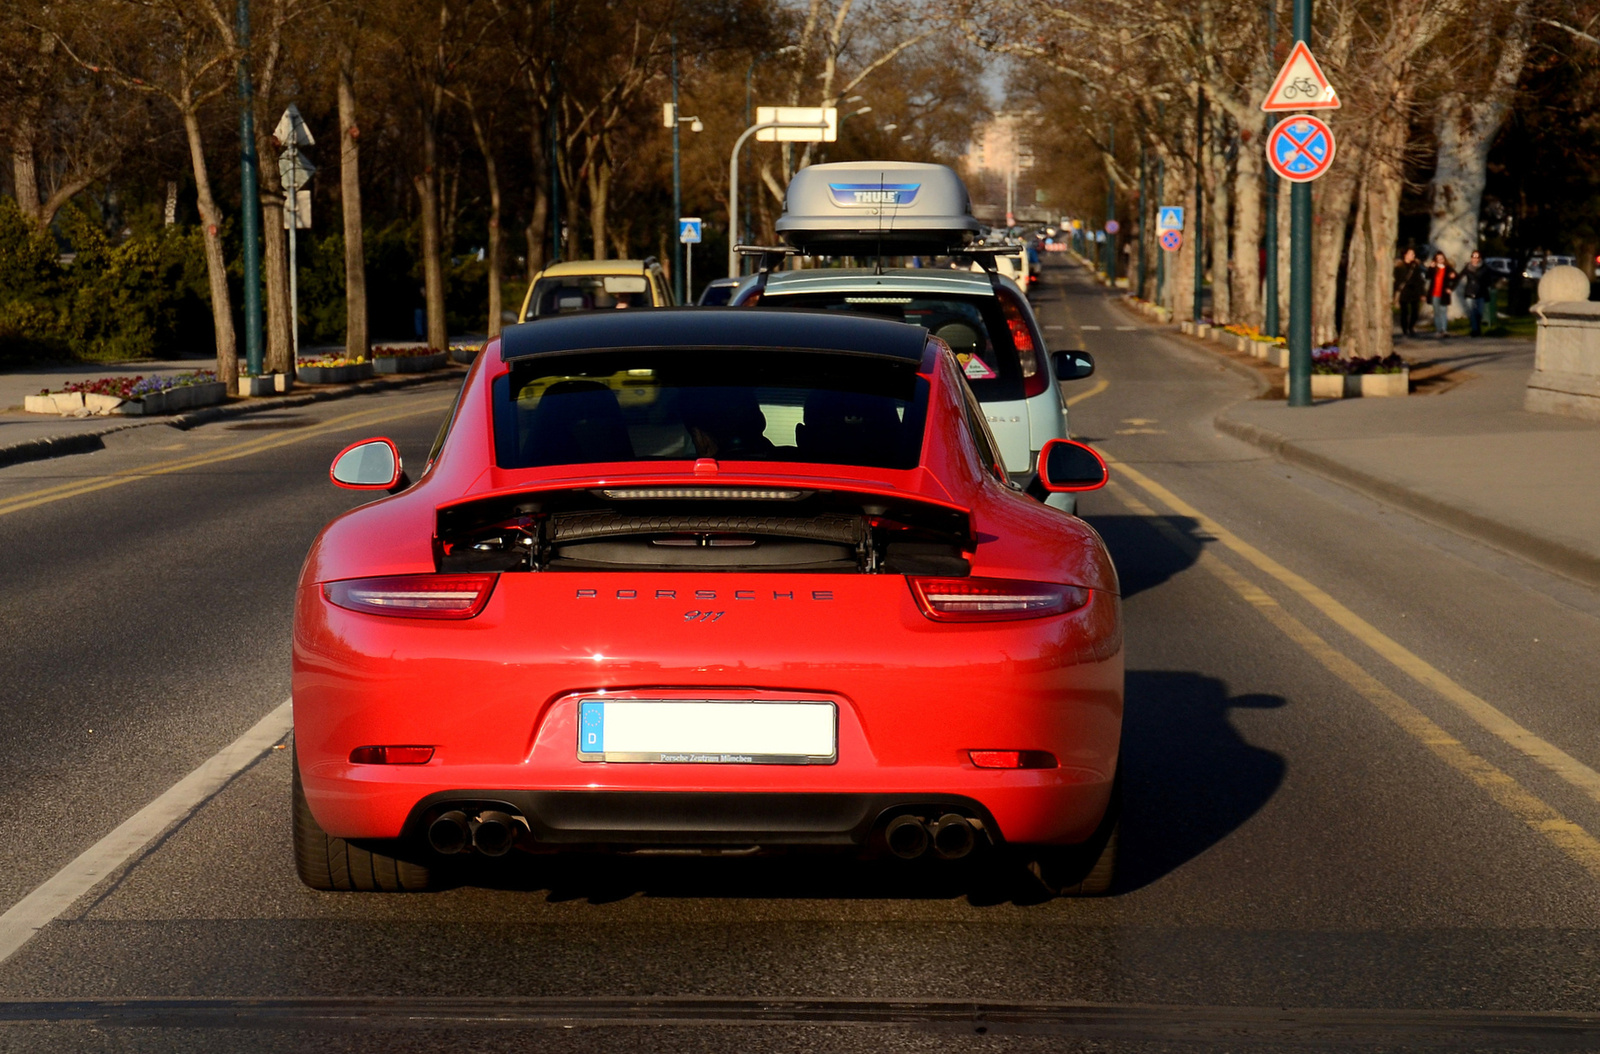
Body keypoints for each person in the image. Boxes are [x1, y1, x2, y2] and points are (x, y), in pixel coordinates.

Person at [1459, 250, 1494, 337]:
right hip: (1470, 292)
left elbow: (1490, 279)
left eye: (1477, 257)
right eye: (1473, 257)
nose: (1475, 259)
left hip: (1481, 293)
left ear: (1480, 258)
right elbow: (1459, 276)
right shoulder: (1467, 267)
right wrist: (1450, 285)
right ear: (1471, 258)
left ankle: (1477, 328)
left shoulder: (1484, 268)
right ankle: (1475, 330)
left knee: (1479, 312)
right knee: (1472, 312)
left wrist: (1490, 284)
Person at [1393, 248, 1425, 338]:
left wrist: (1422, 293)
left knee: (1415, 311)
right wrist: (1395, 292)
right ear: (1405, 255)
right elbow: (1396, 281)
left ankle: (1411, 327)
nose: (1413, 256)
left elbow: (1420, 280)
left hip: (1414, 291)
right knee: (1404, 312)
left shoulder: (1415, 266)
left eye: (1413, 254)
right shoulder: (1399, 266)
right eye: (1411, 254)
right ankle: (1405, 329)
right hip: (1404, 291)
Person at [1425, 252, 1456, 338]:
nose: (1440, 260)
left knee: (1443, 311)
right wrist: (1430, 268)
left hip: (1444, 294)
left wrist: (1451, 288)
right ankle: (1438, 330)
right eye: (1438, 259)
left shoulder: (1448, 268)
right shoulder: (1434, 269)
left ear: (1444, 259)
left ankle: (1444, 330)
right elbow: (1427, 277)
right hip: (1434, 293)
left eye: (1441, 258)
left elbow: (1456, 277)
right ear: (1435, 260)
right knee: (1437, 312)